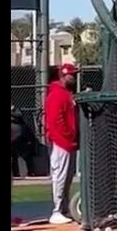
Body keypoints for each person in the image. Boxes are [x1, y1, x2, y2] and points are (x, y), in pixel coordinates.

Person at [44, 63, 80, 225]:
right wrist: (68, 136)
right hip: (61, 142)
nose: (74, 78)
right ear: (63, 76)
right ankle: (56, 211)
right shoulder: (57, 94)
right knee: (60, 176)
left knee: (67, 178)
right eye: (71, 75)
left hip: (68, 142)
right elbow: (55, 120)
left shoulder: (66, 93)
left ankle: (64, 209)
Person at [11, 105, 39, 177]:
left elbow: (19, 115)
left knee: (27, 154)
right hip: (13, 138)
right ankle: (15, 173)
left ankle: (31, 172)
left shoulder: (16, 113)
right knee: (13, 156)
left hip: (21, 137)